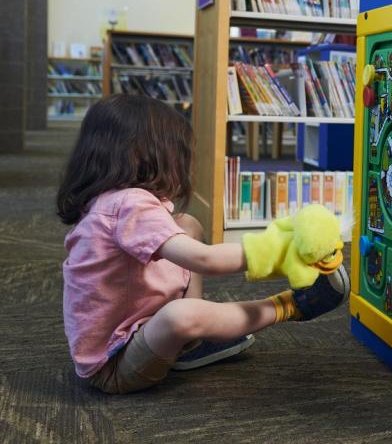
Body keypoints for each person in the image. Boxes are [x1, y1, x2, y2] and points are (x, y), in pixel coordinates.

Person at [57, 95, 348, 394]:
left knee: (186, 224)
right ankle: (291, 306)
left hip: (135, 327)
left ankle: (191, 343)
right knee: (180, 316)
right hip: (115, 364)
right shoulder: (127, 204)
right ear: (141, 154)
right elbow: (205, 260)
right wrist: (277, 250)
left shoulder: (106, 199)